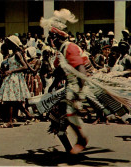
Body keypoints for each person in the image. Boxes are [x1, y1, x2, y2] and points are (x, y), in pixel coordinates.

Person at [40, 9, 88, 154]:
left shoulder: (70, 48)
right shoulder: (61, 50)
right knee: (55, 120)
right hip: (68, 85)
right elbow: (61, 72)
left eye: (50, 36)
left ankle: (81, 139)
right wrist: (52, 87)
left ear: (55, 36)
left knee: (68, 110)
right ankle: (69, 151)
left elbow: (81, 70)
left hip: (80, 84)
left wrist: (80, 92)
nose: (48, 39)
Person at [0, 35, 32, 128]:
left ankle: (10, 121)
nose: (6, 44)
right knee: (12, 100)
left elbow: (25, 66)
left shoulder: (17, 53)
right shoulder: (12, 54)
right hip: (11, 77)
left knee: (11, 100)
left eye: (8, 42)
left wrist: (12, 71)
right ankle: (27, 115)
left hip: (15, 77)